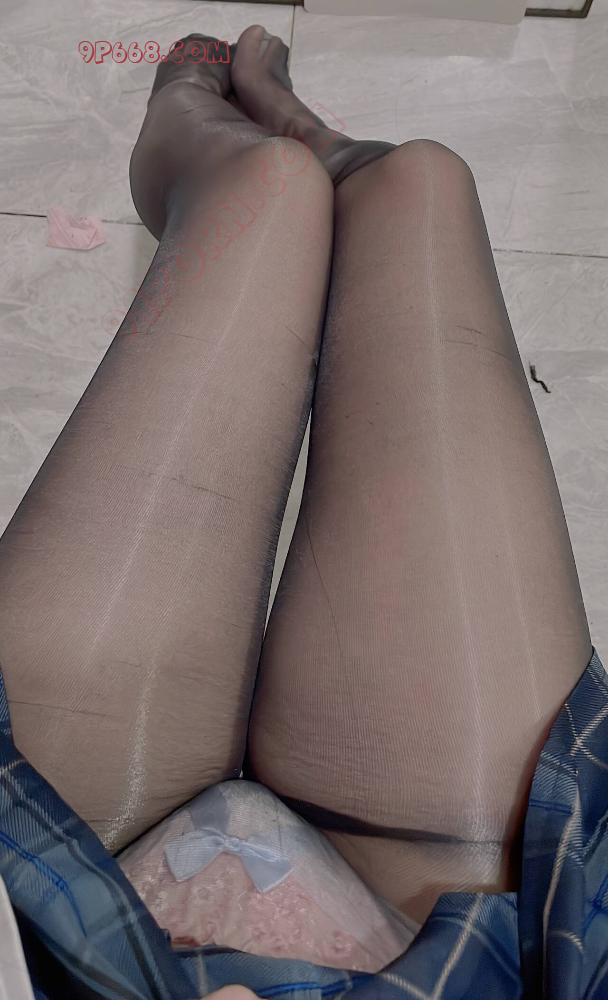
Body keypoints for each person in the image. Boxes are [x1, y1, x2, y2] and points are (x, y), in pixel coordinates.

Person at [0, 25, 606, 1000]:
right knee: (422, 186)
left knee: (266, 193)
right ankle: (331, 154)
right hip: (476, 944)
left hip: (71, 889)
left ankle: (205, 139)